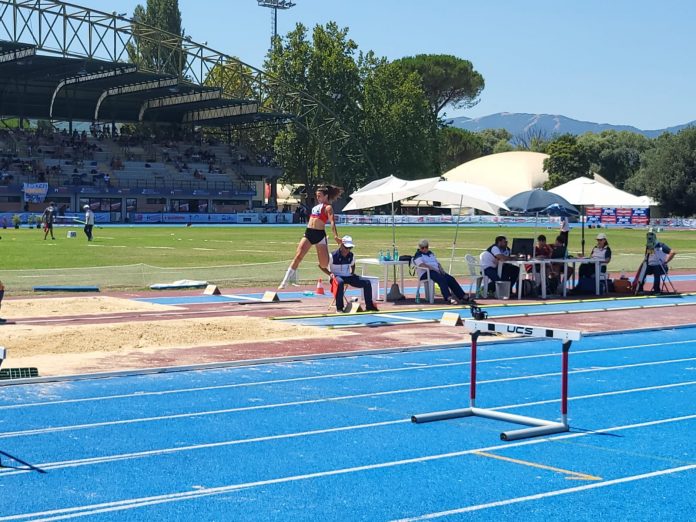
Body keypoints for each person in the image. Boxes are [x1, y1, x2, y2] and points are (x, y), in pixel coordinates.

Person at [278, 185, 343, 289]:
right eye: (317, 196)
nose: (317, 198)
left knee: (323, 265)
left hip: (319, 234)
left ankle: (330, 255)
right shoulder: (315, 207)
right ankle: (284, 281)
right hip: (309, 233)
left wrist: (336, 236)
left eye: (320, 196)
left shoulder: (328, 207)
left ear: (326, 196)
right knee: (298, 256)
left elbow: (332, 222)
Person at [322, 235, 379, 313]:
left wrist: (352, 272)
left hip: (348, 276)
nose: (348, 250)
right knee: (340, 282)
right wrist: (330, 274)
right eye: (346, 247)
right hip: (336, 277)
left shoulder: (351, 255)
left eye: (350, 248)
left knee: (367, 282)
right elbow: (321, 265)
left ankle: (369, 306)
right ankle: (339, 308)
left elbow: (353, 264)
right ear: (341, 245)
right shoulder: (332, 256)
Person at [413, 239, 468, 304]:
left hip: (436, 271)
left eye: (426, 247)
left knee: (450, 278)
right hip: (426, 272)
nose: (425, 249)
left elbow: (437, 263)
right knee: (441, 279)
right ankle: (448, 298)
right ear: (420, 248)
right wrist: (433, 268)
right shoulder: (418, 255)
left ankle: (462, 296)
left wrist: (441, 269)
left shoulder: (431, 253)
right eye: (423, 248)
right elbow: (422, 265)